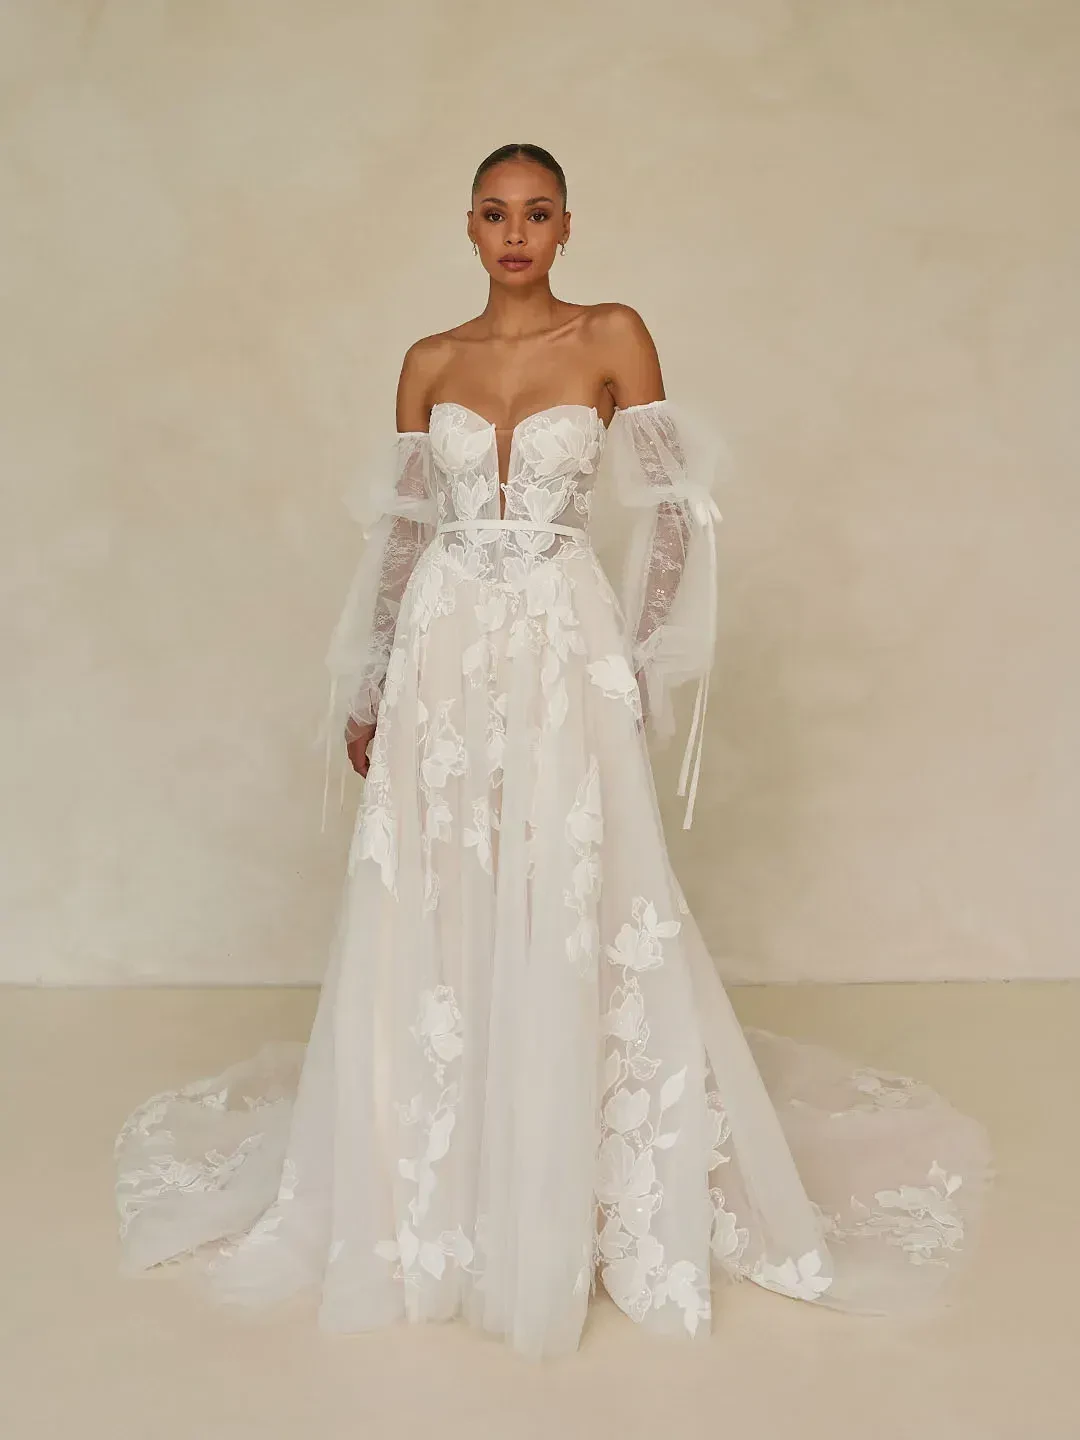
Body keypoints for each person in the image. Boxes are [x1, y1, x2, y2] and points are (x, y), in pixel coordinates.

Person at [114, 143, 993, 1361]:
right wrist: (373, 683)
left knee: (571, 883)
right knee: (437, 885)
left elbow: (678, 508)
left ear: (567, 227)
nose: (514, 232)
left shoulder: (614, 333)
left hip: (564, 641)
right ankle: (442, 1192)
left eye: (537, 212)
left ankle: (583, 1190)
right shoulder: (429, 362)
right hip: (444, 648)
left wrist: (633, 655)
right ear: (466, 228)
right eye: (493, 213)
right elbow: (406, 537)